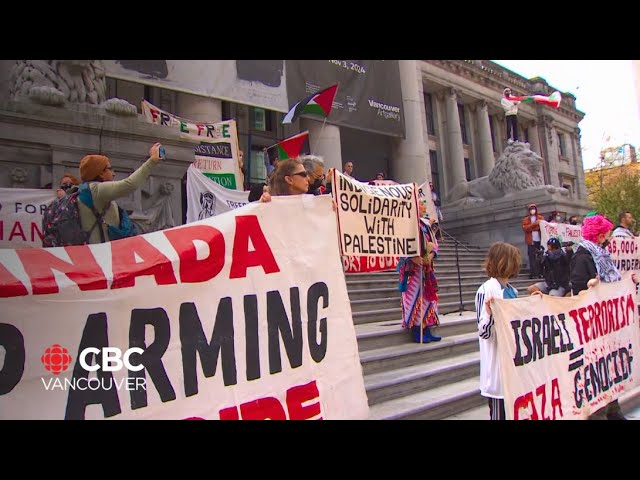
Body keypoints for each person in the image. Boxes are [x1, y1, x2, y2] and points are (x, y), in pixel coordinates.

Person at [569, 214, 638, 420]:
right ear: (599, 236)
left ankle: (613, 409)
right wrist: (589, 286)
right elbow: (577, 287)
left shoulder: (601, 255)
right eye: (606, 234)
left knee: (610, 368)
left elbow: (611, 282)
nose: (609, 238)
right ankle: (599, 413)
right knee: (597, 370)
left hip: (607, 324)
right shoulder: (582, 257)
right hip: (592, 325)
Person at [78, 142, 163, 244]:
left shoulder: (86, 190)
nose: (114, 173)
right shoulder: (97, 190)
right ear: (100, 172)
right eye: (110, 169)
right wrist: (152, 160)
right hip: (100, 253)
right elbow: (129, 184)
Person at [475, 242, 522, 420]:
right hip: (497, 365)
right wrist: (489, 314)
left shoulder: (513, 291)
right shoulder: (486, 290)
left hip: (512, 363)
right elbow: (483, 332)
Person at [397, 200, 442, 343]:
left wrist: (431, 255)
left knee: (428, 299)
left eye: (424, 205)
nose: (424, 207)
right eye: (421, 205)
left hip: (427, 269)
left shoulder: (426, 225)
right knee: (414, 298)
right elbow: (400, 244)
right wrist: (412, 257)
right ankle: (417, 330)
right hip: (413, 271)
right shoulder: (407, 225)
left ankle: (427, 328)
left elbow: (434, 244)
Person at [522, 203, 544, 279]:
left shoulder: (540, 218)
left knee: (540, 257)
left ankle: (540, 273)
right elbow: (525, 228)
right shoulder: (526, 219)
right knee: (532, 257)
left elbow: (542, 227)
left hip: (539, 240)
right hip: (531, 240)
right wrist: (534, 225)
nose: (532, 210)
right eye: (531, 209)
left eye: (533, 209)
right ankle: (533, 273)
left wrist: (532, 227)